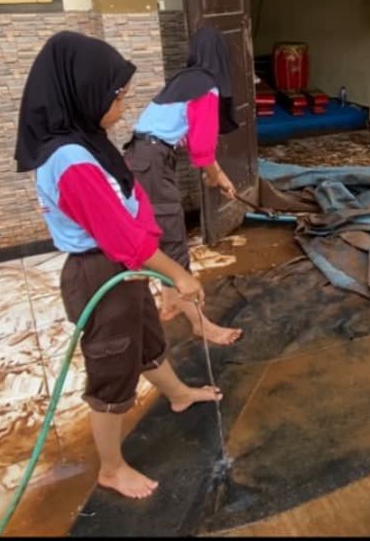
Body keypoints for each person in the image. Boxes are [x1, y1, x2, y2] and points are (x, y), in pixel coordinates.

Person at [14, 30, 220, 499]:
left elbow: (133, 199)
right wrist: (178, 274)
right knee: (112, 372)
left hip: (120, 268)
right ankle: (111, 467)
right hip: (98, 274)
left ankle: (178, 394)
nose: (124, 106)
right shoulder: (69, 161)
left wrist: (158, 270)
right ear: (85, 93)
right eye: (118, 96)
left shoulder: (89, 142)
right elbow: (120, 236)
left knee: (146, 340)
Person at [125, 26, 244, 345]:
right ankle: (200, 323)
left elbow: (192, 139)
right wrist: (216, 175)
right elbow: (202, 146)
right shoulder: (207, 86)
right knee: (173, 236)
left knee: (159, 230)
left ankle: (169, 300)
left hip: (141, 158)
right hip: (151, 161)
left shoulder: (184, 80)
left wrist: (215, 174)